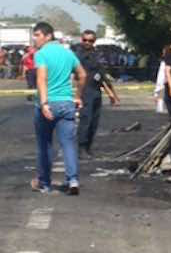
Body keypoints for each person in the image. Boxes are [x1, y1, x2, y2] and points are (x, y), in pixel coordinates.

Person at [31, 21, 87, 195]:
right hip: (66, 103)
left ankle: (45, 183)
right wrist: (78, 96)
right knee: (68, 144)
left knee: (45, 144)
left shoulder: (41, 54)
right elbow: (82, 74)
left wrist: (44, 103)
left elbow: (42, 79)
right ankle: (73, 180)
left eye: (38, 35)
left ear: (48, 36)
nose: (35, 39)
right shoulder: (68, 53)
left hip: (49, 103)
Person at [74, 28, 120, 157]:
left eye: (91, 40)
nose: (88, 43)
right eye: (85, 40)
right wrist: (76, 95)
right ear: (81, 40)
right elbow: (74, 76)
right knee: (85, 121)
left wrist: (112, 94)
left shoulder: (96, 55)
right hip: (84, 91)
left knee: (94, 122)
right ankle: (81, 148)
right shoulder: (78, 55)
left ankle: (88, 147)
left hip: (96, 90)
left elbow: (102, 76)